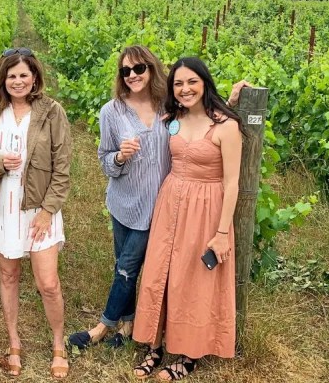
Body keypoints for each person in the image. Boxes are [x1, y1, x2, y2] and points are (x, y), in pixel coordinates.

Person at [132, 56, 243, 381]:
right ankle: (155, 345)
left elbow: (232, 183)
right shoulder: (172, 118)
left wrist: (222, 232)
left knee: (193, 281)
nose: (185, 89)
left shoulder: (227, 126)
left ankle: (189, 354)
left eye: (192, 81)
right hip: (171, 203)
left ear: (205, 82)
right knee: (161, 272)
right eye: (178, 83)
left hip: (206, 210)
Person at [0, 47, 72, 379]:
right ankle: (14, 343)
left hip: (38, 207)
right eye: (11, 75)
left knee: (48, 283)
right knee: (8, 276)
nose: (18, 81)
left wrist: (47, 211)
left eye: (24, 75)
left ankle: (59, 344)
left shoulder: (52, 113)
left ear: (35, 77)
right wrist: (0, 164)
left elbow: (62, 169)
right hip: (1, 206)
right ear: (3, 79)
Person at [67, 45, 170, 351]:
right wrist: (121, 157)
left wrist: (231, 102)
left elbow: (202, 117)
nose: (133, 76)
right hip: (124, 202)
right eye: (126, 71)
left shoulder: (169, 105)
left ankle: (101, 327)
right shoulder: (111, 111)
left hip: (159, 205)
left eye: (139, 68)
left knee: (127, 266)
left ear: (151, 69)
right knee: (123, 265)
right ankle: (127, 325)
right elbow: (104, 161)